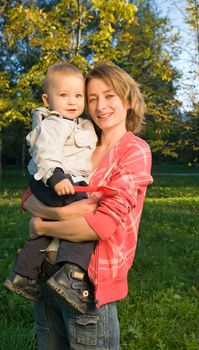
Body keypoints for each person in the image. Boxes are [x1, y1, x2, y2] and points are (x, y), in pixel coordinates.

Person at [22, 63, 153, 350]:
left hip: (87, 285)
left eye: (109, 96)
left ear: (128, 101)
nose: (99, 106)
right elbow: (30, 194)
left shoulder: (134, 150)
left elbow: (101, 226)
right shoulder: (80, 140)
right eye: (91, 98)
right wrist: (65, 212)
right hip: (46, 275)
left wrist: (43, 223)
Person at [4, 62, 101, 313]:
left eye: (78, 95)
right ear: (48, 99)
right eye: (64, 95)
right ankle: (72, 275)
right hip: (54, 180)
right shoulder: (54, 123)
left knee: (50, 232)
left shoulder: (80, 125)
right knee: (86, 221)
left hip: (61, 182)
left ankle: (23, 274)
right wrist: (58, 178)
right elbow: (46, 154)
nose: (72, 101)